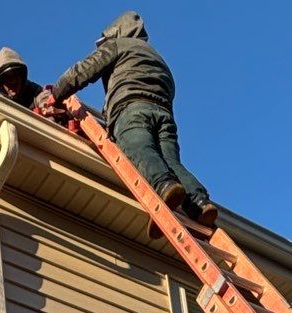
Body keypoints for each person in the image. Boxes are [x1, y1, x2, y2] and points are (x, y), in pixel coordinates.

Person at [38, 12, 218, 229]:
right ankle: (199, 203)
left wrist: (56, 93)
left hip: (131, 109)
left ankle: (164, 186)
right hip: (164, 115)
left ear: (116, 33)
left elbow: (85, 69)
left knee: (139, 148)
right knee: (171, 161)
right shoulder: (159, 60)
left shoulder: (119, 45)